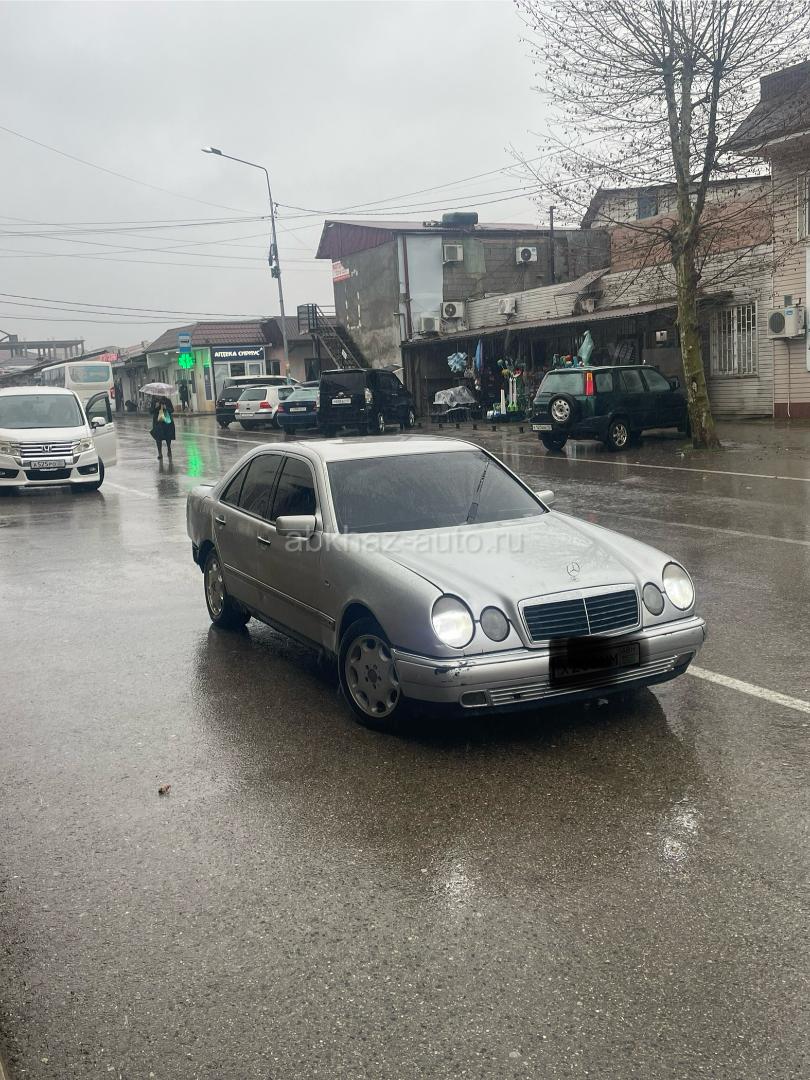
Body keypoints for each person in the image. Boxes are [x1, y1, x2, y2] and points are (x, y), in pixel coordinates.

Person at [150, 395, 176, 462]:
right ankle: (160, 453)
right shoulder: (154, 401)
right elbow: (151, 412)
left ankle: (169, 449)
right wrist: (156, 407)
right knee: (158, 438)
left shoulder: (167, 400)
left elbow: (172, 410)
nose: (159, 395)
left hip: (166, 421)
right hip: (157, 422)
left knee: (168, 437)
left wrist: (166, 407)